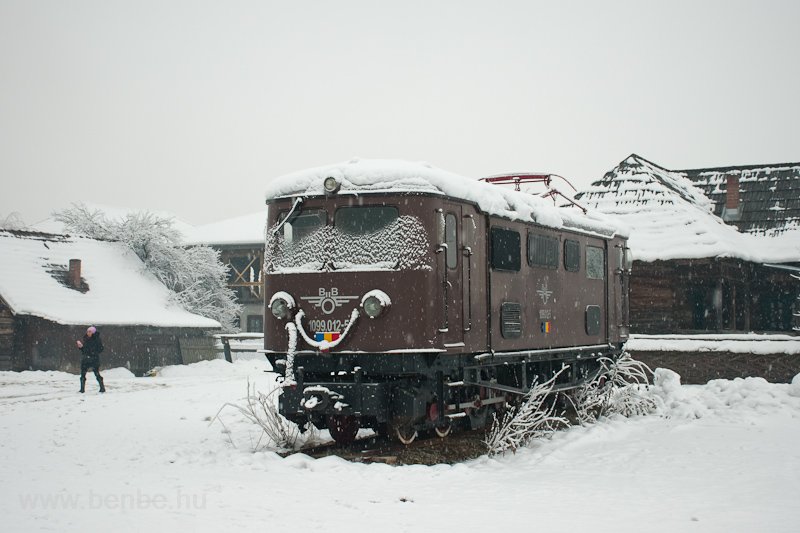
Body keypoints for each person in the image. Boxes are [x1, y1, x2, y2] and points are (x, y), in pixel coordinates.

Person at [76, 326, 105, 393]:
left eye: (90, 331)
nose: (88, 333)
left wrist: (93, 352)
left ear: (93, 332)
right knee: (83, 374)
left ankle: (102, 388)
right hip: (85, 359)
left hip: (94, 359)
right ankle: (82, 389)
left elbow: (101, 349)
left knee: (96, 374)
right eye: (87, 331)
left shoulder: (97, 339)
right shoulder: (85, 339)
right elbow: (84, 351)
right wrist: (81, 347)